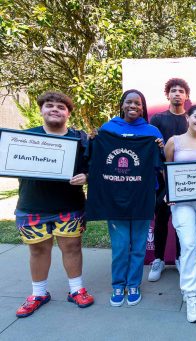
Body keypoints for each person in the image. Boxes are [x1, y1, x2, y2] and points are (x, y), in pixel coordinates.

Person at [14, 91, 94, 317]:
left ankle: (76, 290)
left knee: (72, 247)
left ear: (68, 113)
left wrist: (86, 176)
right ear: (41, 110)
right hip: (32, 205)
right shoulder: (25, 138)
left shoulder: (80, 140)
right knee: (38, 250)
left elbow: (92, 167)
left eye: (61, 107)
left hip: (69, 205)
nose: (55, 110)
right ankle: (39, 293)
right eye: (49, 105)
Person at [98, 89, 164, 307]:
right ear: (122, 104)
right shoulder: (108, 128)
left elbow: (161, 163)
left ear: (143, 107)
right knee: (120, 244)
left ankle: (133, 284)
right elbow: (99, 158)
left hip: (143, 196)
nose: (133, 106)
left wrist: (161, 150)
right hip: (115, 197)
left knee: (138, 245)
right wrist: (94, 141)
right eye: (129, 102)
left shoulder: (152, 131)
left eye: (138, 103)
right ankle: (118, 284)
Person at [164, 104, 196, 323]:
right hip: (181, 201)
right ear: (188, 117)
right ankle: (192, 294)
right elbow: (166, 169)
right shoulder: (173, 141)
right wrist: (169, 193)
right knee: (187, 243)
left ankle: (187, 286)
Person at [148, 78, 190, 282]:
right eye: (173, 90)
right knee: (162, 220)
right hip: (162, 179)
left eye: (181, 91)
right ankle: (158, 259)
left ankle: (181, 258)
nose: (177, 94)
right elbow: (152, 150)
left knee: (183, 221)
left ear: (186, 96)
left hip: (185, 180)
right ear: (167, 94)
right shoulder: (157, 119)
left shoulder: (191, 119)